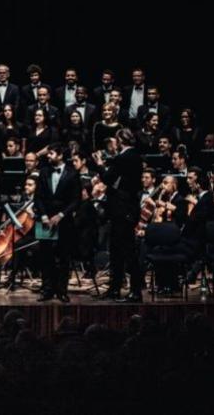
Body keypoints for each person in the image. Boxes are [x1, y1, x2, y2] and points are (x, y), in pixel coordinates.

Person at [92, 129, 143, 302]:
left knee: (126, 251)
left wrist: (99, 163)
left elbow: (107, 178)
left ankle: (135, 291)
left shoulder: (123, 157)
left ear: (121, 140)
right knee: (117, 251)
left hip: (122, 209)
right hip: (126, 208)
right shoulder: (135, 155)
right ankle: (115, 289)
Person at [35, 144, 80, 303]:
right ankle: (47, 289)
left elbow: (76, 200)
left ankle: (62, 290)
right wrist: (44, 216)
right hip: (45, 220)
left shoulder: (73, 173)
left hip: (64, 221)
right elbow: (38, 197)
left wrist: (60, 215)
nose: (48, 156)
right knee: (45, 256)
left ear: (60, 155)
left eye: (51, 153)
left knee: (63, 257)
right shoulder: (43, 172)